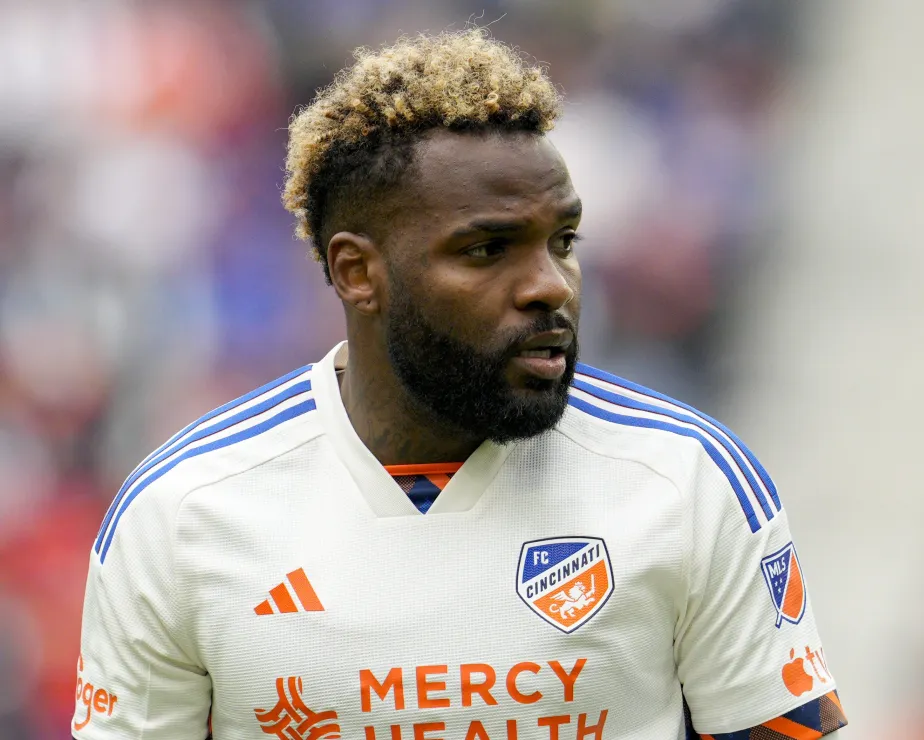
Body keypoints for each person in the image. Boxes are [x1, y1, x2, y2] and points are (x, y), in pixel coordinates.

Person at [72, 30, 845, 740]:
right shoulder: (184, 511)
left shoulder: (686, 480)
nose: (551, 285)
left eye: (563, 241)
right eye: (486, 250)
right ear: (357, 271)